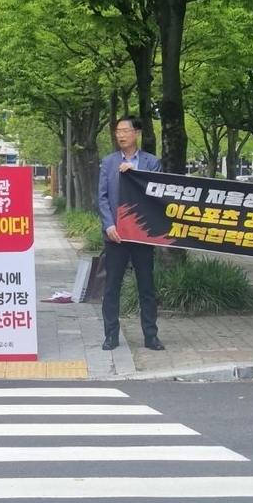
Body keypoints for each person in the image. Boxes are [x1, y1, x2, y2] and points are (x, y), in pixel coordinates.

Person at [98, 116, 165, 352]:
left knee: (146, 285)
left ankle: (150, 336)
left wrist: (136, 172)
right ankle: (111, 335)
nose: (121, 135)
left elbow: (156, 192)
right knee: (112, 286)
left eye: (125, 131)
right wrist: (109, 225)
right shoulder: (108, 162)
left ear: (136, 132)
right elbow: (103, 197)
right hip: (115, 235)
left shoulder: (151, 162)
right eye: (117, 131)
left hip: (141, 235)